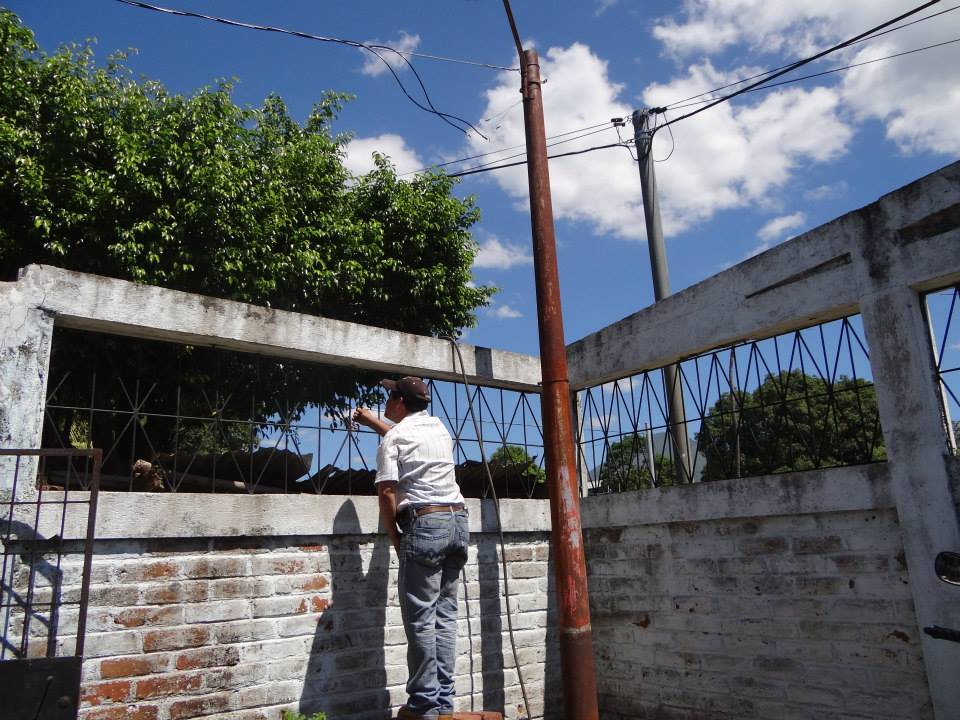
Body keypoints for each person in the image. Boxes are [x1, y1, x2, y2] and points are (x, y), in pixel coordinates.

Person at [353, 376, 469, 720]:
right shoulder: (439, 428)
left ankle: (423, 707)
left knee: (419, 621)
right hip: (458, 523)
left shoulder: (394, 438)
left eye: (390, 396)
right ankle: (443, 704)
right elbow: (402, 437)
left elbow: (387, 491)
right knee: (445, 619)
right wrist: (373, 421)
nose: (386, 402)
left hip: (426, 526)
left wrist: (396, 539)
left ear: (400, 401)